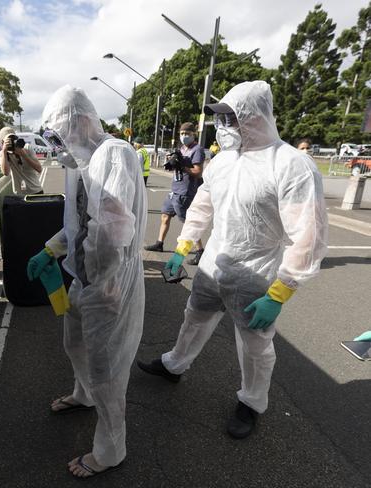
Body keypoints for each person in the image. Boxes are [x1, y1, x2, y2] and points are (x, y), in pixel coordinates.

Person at [137, 80, 328, 439]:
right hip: (213, 264)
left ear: (253, 117)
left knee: (254, 344)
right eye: (220, 118)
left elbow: (309, 235)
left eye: (230, 117)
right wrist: (182, 248)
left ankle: (252, 403)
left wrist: (280, 292)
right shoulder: (222, 162)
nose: (223, 126)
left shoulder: (291, 165)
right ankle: (174, 364)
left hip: (256, 275)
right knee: (194, 316)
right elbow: (203, 206)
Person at [27, 85, 146, 478]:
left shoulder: (113, 154)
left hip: (108, 282)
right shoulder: (82, 163)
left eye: (58, 134)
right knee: (74, 342)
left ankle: (111, 450)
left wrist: (99, 284)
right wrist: (51, 250)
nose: (56, 145)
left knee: (107, 371)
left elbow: (112, 233)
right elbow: (79, 226)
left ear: (80, 121)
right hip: (85, 277)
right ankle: (83, 395)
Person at [144, 122, 205, 265]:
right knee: (165, 216)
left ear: (193, 134)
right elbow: (176, 166)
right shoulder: (182, 149)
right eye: (182, 133)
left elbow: (197, 172)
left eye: (187, 134)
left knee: (189, 223)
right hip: (174, 191)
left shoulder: (197, 150)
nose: (184, 136)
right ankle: (159, 243)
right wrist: (171, 163)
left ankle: (200, 251)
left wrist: (183, 167)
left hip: (185, 192)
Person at [0, 126, 44, 195]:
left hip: (35, 191)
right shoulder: (3, 154)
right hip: (19, 194)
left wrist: (24, 155)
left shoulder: (27, 148)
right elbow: (6, 172)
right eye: (8, 141)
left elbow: (39, 169)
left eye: (12, 139)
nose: (11, 143)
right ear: (3, 142)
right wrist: (4, 151)